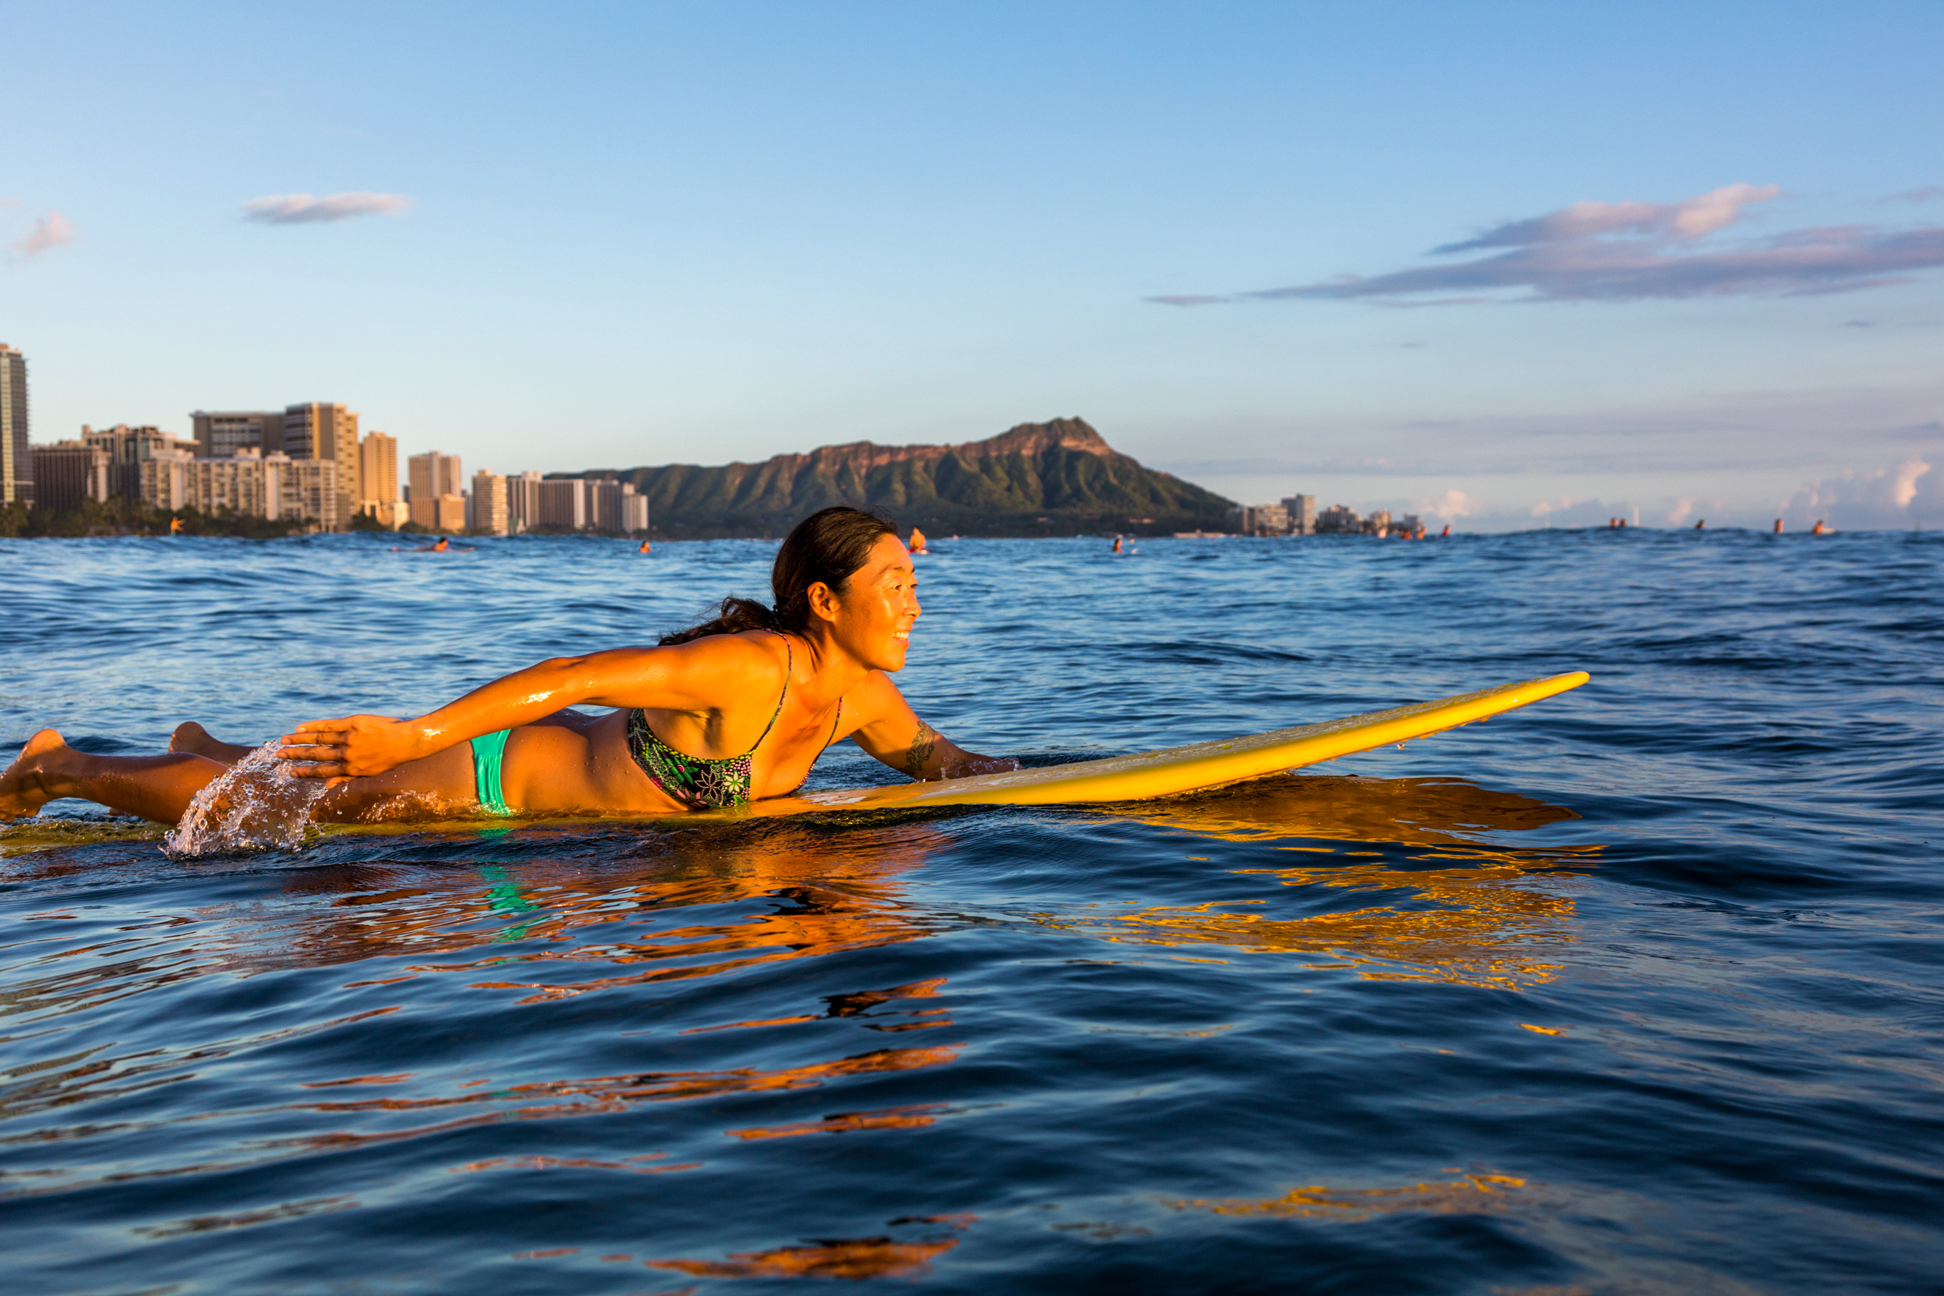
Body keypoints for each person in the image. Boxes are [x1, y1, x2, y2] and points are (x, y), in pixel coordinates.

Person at [2, 507, 1013, 826]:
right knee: (263, 810)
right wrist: (418, 734)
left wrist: (1028, 784)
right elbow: (572, 673)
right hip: (490, 774)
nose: (913, 603)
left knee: (271, 782)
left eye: (914, 584)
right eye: (895, 585)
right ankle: (57, 764)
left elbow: (937, 764)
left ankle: (199, 741)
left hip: (566, 814)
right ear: (827, 601)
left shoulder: (867, 699)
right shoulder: (749, 666)